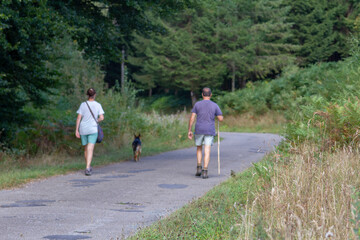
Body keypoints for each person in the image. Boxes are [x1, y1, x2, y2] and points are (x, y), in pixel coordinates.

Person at [188, 87, 223, 179]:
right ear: (210, 95)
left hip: (199, 129)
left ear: (202, 95)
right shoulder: (215, 105)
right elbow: (220, 119)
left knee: (199, 148)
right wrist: (216, 116)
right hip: (209, 130)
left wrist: (189, 130)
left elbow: (192, 118)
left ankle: (198, 168)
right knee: (207, 150)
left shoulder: (197, 104)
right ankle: (205, 171)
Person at [75, 88, 104, 176]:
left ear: (87, 95)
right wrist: (96, 121)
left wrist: (76, 130)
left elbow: (79, 118)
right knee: (90, 148)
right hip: (92, 129)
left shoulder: (83, 105)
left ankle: (88, 166)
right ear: (95, 95)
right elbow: (102, 117)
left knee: (86, 149)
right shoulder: (98, 105)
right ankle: (88, 168)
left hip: (83, 129)